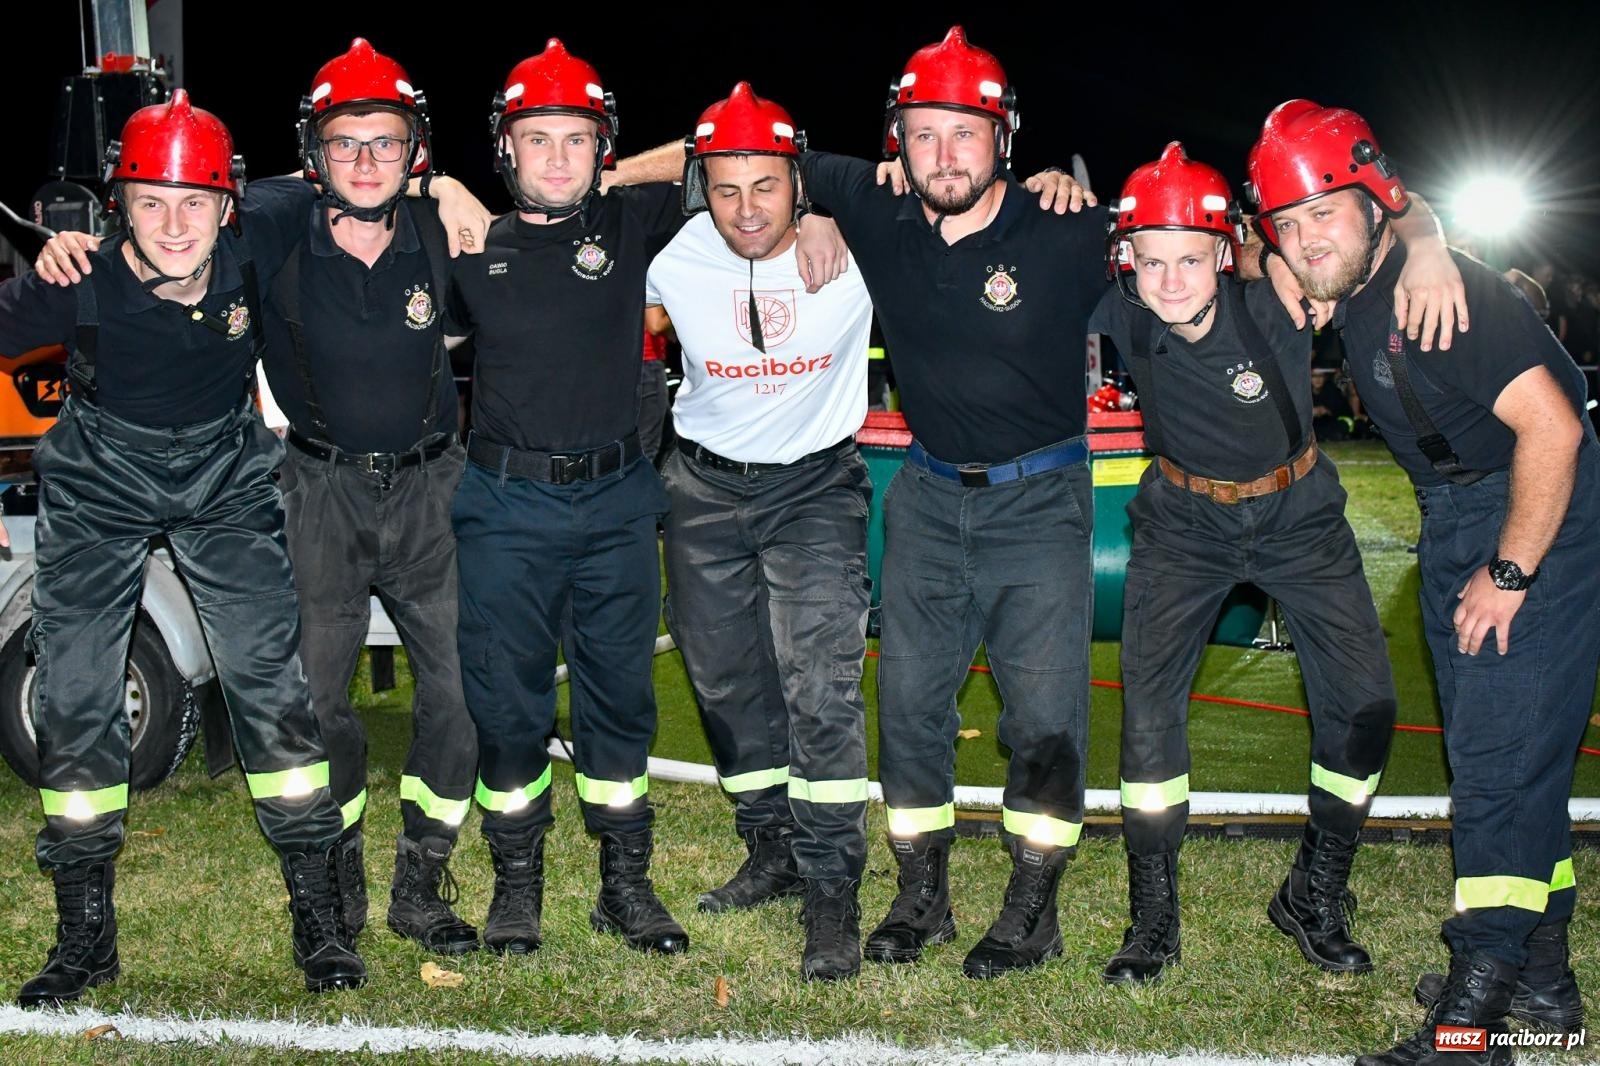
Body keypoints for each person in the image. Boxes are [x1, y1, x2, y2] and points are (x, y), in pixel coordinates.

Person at [444, 40, 842, 958]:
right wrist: (432, 186)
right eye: (535, 139)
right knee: (506, 707)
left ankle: (625, 884)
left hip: (620, 502)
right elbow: (344, 197)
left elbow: (714, 149)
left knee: (619, 701)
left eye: (575, 141)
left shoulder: (632, 224)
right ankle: (517, 887)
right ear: (502, 150)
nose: (555, 160)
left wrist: (813, 210)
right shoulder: (465, 244)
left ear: (602, 149)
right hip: (505, 508)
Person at [1251, 98, 1597, 1065]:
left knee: (1491, 777)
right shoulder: (1359, 270)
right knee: (1518, 767)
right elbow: (1289, 243)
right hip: (1459, 512)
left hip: (1533, 511)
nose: (1307, 237)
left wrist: (1512, 568)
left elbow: (1556, 431)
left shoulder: (1444, 294)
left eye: (1326, 213)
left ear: (1373, 203)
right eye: (1288, 221)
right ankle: (1541, 990)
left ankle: (1469, 1027)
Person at [0, 91, 365, 1003]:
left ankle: (318, 920)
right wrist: (45, 250)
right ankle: (86, 934)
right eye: (151, 200)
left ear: (228, 204)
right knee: (78, 695)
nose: (174, 224)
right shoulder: (70, 281)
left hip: (224, 478)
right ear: (118, 201)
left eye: (194, 202)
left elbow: (362, 167)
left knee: (272, 690)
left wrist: (459, 197)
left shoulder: (263, 226)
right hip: (97, 483)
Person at [1091, 142, 1397, 986]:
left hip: (1299, 516)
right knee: (1149, 719)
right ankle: (1152, 916)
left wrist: (1435, 245)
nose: (1172, 281)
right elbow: (1007, 239)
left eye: (1191, 259)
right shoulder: (1119, 308)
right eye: (1151, 261)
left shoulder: (1280, 298)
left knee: (1367, 704)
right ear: (1126, 260)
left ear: (1225, 254)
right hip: (1182, 527)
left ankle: (1315, 889)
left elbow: (1384, 217)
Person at [644, 83, 874, 980]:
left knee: (820, 688)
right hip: (700, 490)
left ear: (798, 180)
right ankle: (769, 845)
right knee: (726, 682)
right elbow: (585, 195)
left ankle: (830, 888)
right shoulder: (672, 249)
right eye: (726, 187)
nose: (747, 210)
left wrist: (827, 210)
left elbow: (937, 189)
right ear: (704, 184)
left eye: (768, 187)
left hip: (815, 488)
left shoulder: (854, 244)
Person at [265, 38, 481, 957]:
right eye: (344, 141)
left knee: (466, 692)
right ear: (314, 153)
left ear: (414, 151)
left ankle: (421, 880)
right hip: (320, 493)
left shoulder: (443, 230)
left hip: (436, 490)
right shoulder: (270, 229)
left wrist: (451, 188)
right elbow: (173, 220)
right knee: (316, 702)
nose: (364, 161)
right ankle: (337, 871)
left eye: (385, 143)